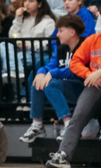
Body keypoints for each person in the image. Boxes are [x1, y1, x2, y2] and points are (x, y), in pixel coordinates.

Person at [45, 3, 101, 168]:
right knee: (77, 117)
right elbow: (75, 63)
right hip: (94, 86)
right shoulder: (93, 39)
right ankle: (63, 155)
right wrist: (89, 74)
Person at [20, 14, 86, 142]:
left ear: (72, 32)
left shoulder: (85, 45)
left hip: (83, 89)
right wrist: (41, 72)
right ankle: (37, 125)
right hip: (64, 87)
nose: (57, 34)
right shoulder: (61, 49)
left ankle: (69, 125)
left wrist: (54, 73)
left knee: (50, 83)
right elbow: (50, 66)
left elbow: (77, 70)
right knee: (37, 82)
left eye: (60, 31)